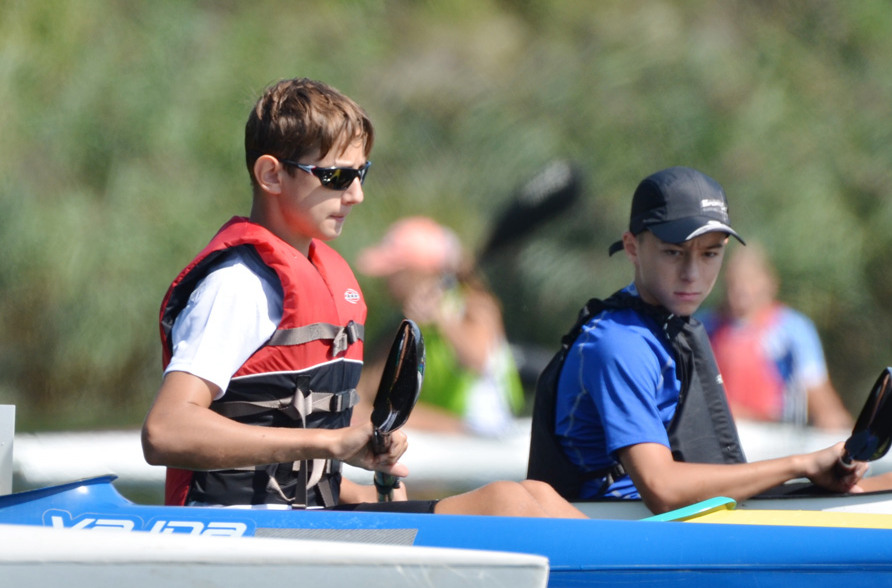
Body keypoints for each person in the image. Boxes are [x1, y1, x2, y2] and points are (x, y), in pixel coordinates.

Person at [141, 78, 582, 518]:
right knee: (505, 506)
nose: (356, 194)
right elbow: (165, 430)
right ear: (272, 175)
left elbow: (301, 455)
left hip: (315, 526)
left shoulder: (328, 278)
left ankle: (645, 553)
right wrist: (332, 443)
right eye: (336, 176)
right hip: (249, 534)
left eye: (361, 173)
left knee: (532, 497)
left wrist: (359, 490)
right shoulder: (238, 285)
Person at [527, 166, 883, 513]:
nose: (692, 274)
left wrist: (818, 473)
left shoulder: (671, 329)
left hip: (683, 520)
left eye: (710, 254)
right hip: (619, 532)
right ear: (632, 247)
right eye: (673, 253)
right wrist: (801, 465)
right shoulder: (619, 344)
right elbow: (662, 490)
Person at [354, 217, 523, 437]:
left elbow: (479, 361)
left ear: (419, 272)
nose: (386, 281)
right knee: (361, 413)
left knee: (380, 417)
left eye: (394, 271)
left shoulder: (476, 305)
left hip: (483, 433)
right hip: (447, 434)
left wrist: (441, 316)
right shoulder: (408, 321)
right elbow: (368, 389)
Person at [702, 243, 853, 430]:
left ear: (769, 282)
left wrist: (840, 428)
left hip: (772, 434)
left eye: (750, 280)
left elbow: (818, 392)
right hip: (717, 430)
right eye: (734, 281)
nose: (741, 289)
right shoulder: (703, 327)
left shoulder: (793, 330)